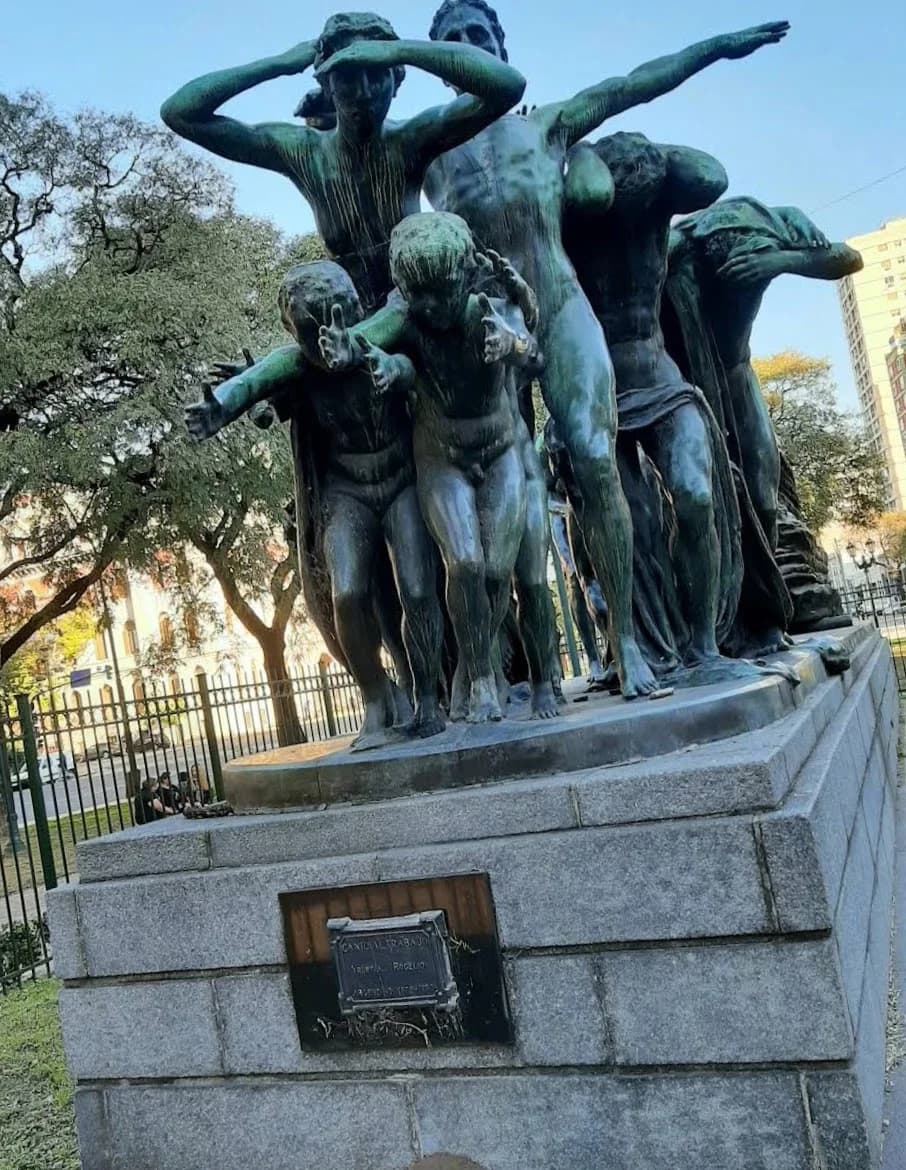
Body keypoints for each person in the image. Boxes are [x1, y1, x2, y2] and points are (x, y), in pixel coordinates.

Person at [420, 0, 789, 696]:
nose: (467, 48)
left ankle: (631, 640)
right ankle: (514, 669)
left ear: (500, 46)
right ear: (436, 61)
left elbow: (641, 79)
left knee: (594, 459)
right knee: (505, 498)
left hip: (559, 307)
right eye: (451, 41)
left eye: (477, 35)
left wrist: (718, 45)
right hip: (483, 319)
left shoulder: (550, 124)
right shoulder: (428, 149)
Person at [187, 261, 445, 747]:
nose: (324, 341)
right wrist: (220, 406)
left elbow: (405, 330)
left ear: (350, 311)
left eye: (334, 321)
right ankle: (376, 701)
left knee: (416, 587)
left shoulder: (386, 329)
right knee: (346, 593)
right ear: (298, 333)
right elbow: (257, 381)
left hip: (401, 481)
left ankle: (428, 697)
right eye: (311, 332)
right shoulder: (298, 365)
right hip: (347, 492)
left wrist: (369, 354)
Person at [160, 11, 526, 314]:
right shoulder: (301, 152)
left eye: (377, 75)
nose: (364, 92)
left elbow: (508, 85)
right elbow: (180, 113)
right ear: (328, 86)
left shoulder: (412, 139)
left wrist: (398, 51)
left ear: (396, 82)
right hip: (348, 318)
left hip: (424, 309)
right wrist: (279, 64)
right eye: (348, 78)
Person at [355, 212, 542, 724]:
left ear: (464, 275)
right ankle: (479, 676)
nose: (432, 308)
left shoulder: (492, 310)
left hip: (500, 451)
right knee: (463, 562)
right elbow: (362, 339)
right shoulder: (408, 318)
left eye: (441, 292)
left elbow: (535, 356)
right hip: (440, 457)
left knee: (496, 570)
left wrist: (515, 344)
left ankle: (479, 662)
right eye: (420, 295)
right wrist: (349, 349)